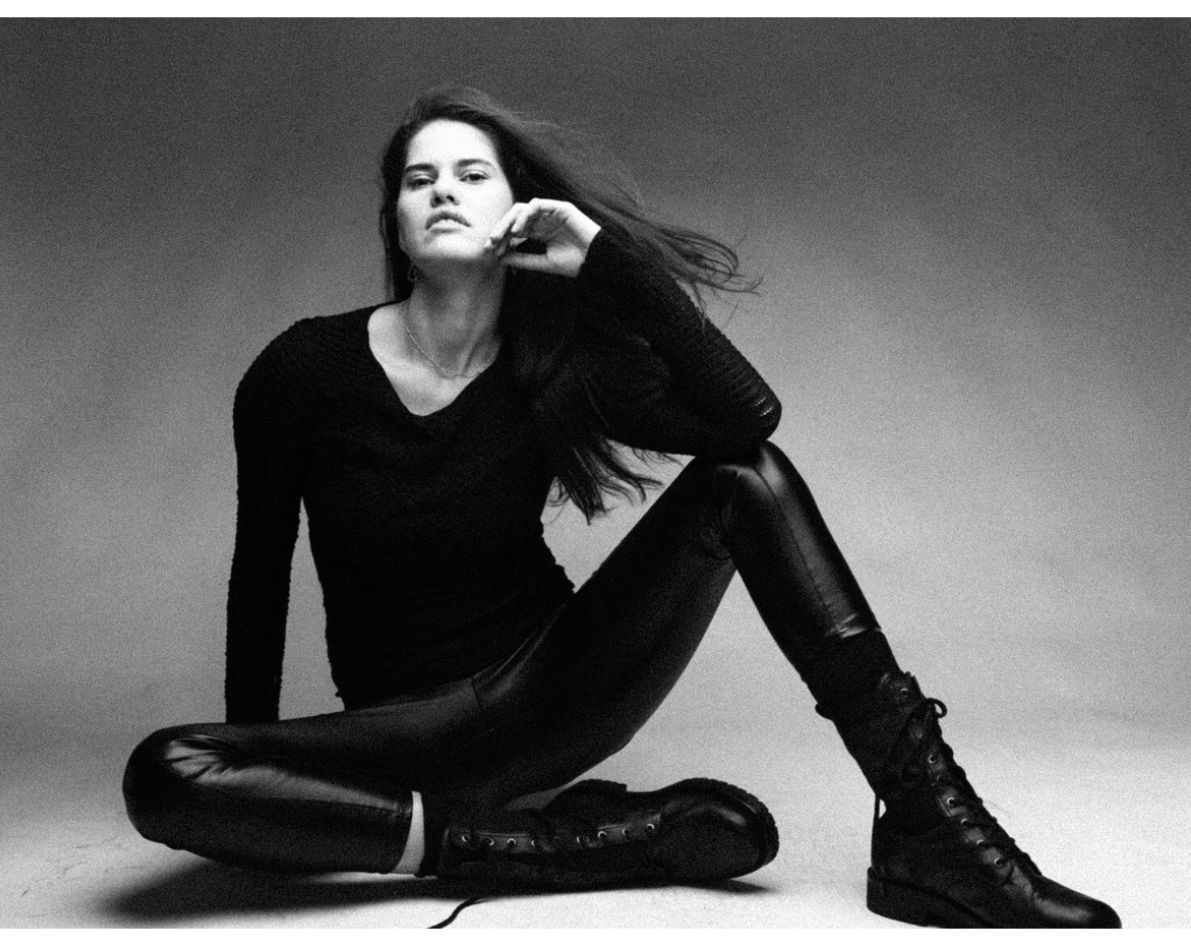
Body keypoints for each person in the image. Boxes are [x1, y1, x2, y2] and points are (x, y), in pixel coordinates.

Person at [123, 86, 1120, 928]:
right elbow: (259, 577)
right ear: (394, 220)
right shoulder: (301, 370)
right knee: (167, 769)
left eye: (470, 174)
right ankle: (550, 845)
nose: (442, 192)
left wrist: (610, 262)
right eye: (418, 180)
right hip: (395, 735)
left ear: (520, 207)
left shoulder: (554, 365)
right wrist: (260, 785)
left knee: (748, 480)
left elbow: (748, 422)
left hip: (550, 694)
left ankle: (930, 826)